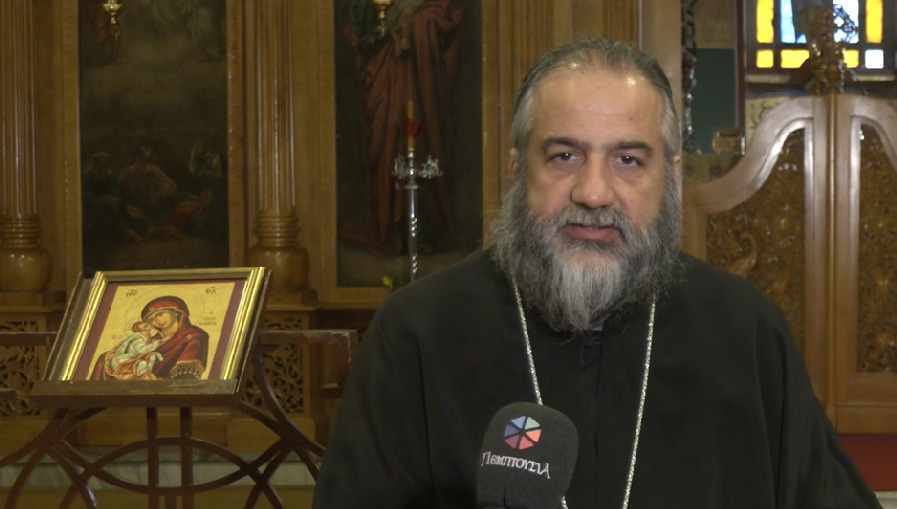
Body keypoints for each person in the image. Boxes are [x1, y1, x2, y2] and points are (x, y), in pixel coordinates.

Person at [312, 38, 882, 508]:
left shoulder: (746, 331)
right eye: (564, 156)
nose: (593, 192)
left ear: (672, 179)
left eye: (628, 160)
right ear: (517, 171)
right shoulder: (417, 333)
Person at [90, 295, 209, 380]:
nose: (156, 320)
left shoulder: (192, 337)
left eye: (159, 314)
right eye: (151, 320)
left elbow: (185, 378)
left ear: (176, 312)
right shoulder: (151, 340)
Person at [90, 319, 163, 380]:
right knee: (143, 363)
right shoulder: (138, 338)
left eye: (147, 324)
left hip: (136, 357)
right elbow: (141, 350)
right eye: (146, 326)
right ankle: (142, 372)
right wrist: (157, 343)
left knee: (151, 357)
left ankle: (148, 373)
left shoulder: (147, 336)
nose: (149, 325)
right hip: (127, 358)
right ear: (141, 331)